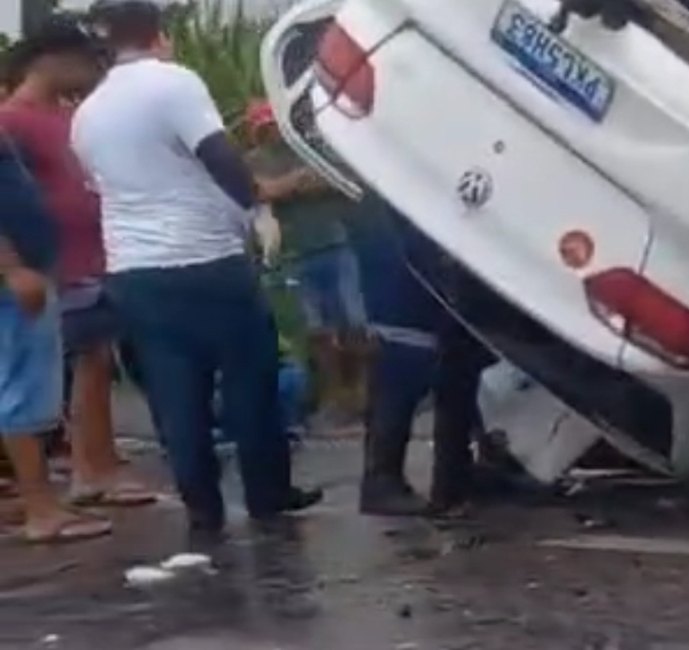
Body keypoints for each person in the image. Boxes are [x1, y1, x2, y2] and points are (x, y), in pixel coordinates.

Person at [72, 0, 321, 532]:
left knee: (174, 390)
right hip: (205, 258)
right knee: (249, 378)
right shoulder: (173, 83)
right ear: (159, 35)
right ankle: (268, 496)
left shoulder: (87, 113)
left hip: (135, 272)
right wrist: (257, 199)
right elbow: (218, 154)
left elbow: (103, 188)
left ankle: (203, 508)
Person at [0, 17, 155, 508]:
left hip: (90, 252)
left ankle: (99, 461)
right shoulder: (14, 119)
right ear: (50, 60)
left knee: (97, 359)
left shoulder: (70, 116)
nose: (94, 71)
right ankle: (87, 469)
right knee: (78, 362)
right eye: (86, 60)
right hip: (52, 261)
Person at [352, 200, 510, 517]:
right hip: (404, 237)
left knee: (458, 356)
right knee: (405, 355)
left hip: (430, 234)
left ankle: (458, 474)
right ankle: (383, 479)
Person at [0, 126, 111, 543]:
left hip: (26, 270)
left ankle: (40, 500)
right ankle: (41, 510)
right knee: (19, 393)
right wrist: (12, 267)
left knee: (21, 389)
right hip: (14, 278)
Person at [244, 100, 370, 434]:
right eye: (263, 128)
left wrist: (290, 185)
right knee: (318, 331)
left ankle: (362, 396)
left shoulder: (310, 146)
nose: (271, 133)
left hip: (336, 242)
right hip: (296, 254)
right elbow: (260, 191)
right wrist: (297, 181)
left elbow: (337, 179)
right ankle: (334, 400)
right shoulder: (255, 160)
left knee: (355, 322)